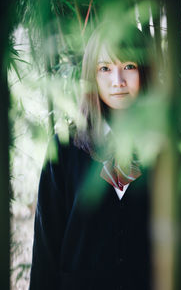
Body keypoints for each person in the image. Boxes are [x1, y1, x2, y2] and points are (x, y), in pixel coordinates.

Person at [29, 20, 153, 290]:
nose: (117, 81)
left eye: (129, 66)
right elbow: (46, 249)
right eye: (105, 68)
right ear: (91, 76)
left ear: (145, 70)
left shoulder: (164, 150)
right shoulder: (63, 150)